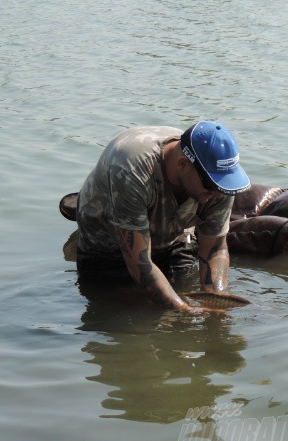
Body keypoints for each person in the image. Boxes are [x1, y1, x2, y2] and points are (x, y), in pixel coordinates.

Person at [76, 121, 250, 312]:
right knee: (129, 315)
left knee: (185, 303)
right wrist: (183, 310)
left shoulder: (218, 185)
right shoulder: (131, 169)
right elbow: (139, 263)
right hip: (109, 249)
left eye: (223, 186)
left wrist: (217, 303)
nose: (219, 194)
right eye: (212, 185)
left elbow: (214, 249)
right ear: (183, 165)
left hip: (172, 237)